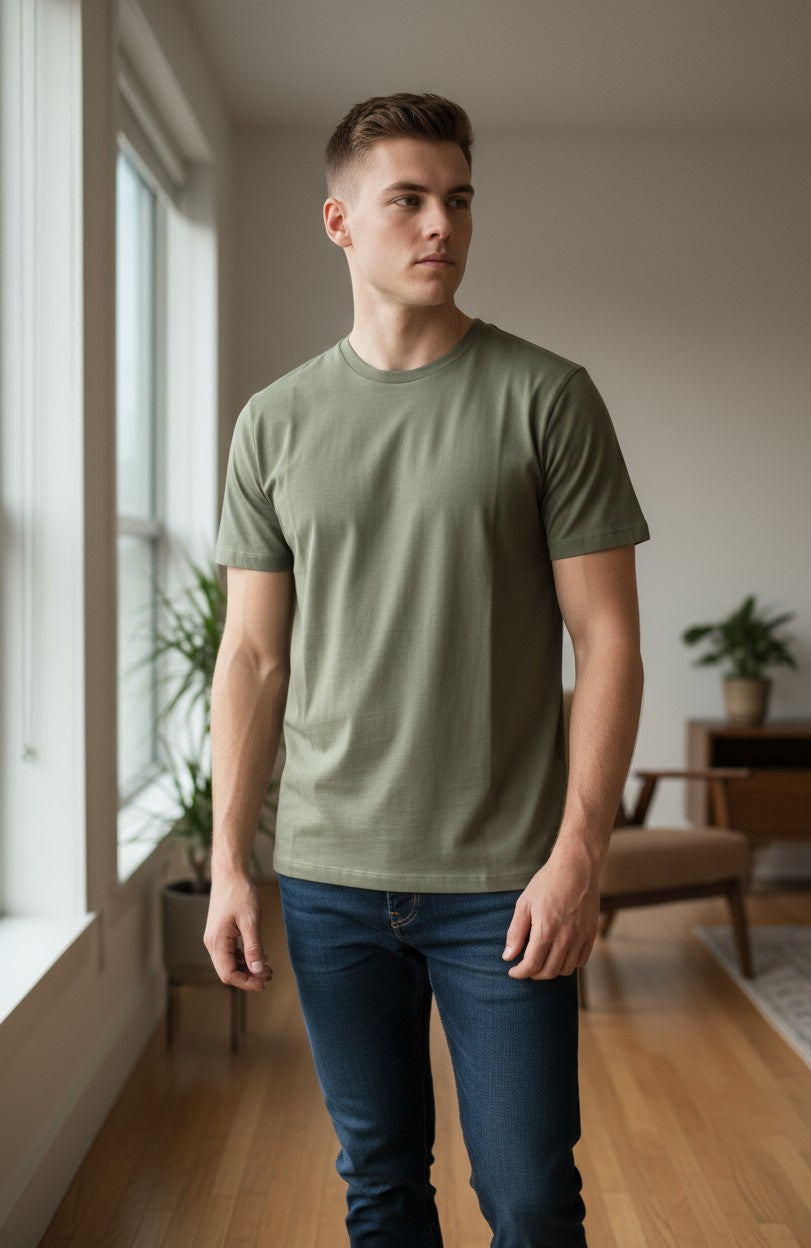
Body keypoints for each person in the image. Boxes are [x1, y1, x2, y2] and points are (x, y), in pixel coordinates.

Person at [205, 92, 649, 1248]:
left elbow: (608, 643)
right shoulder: (274, 423)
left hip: (506, 881)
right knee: (382, 1189)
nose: (439, 224)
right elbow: (251, 658)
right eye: (406, 199)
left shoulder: (548, 397)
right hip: (329, 879)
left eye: (456, 200)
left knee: (531, 1199)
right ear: (339, 221)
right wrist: (227, 866)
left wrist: (579, 854)